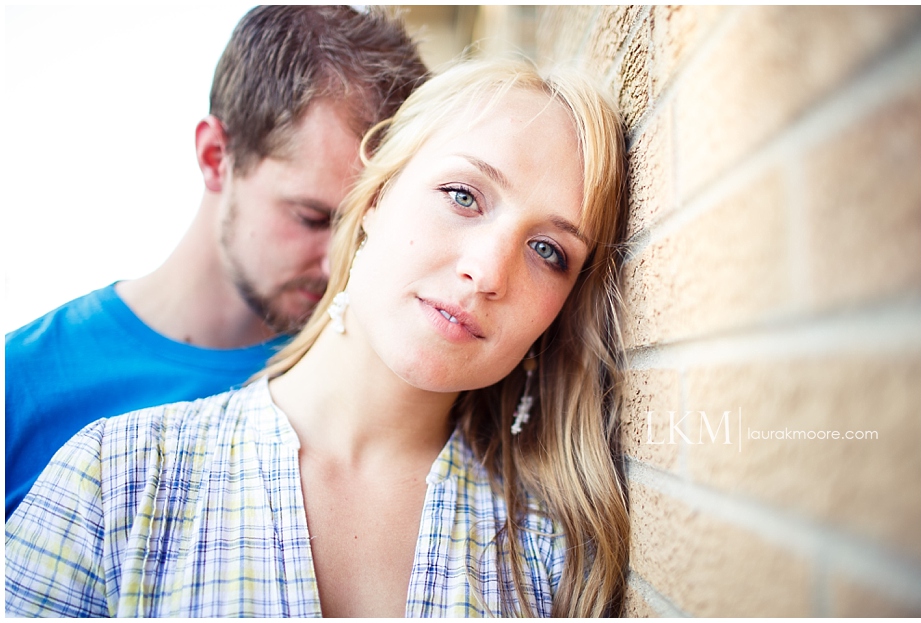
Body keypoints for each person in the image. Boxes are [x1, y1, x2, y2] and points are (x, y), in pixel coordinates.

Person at [6, 58, 630, 617]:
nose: (489, 272)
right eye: (463, 195)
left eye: (548, 250)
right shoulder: (116, 479)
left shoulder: (551, 558)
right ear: (378, 194)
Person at [4, 6, 427, 518]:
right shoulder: (22, 384)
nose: (341, 260)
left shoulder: (375, 391)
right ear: (214, 155)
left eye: (362, 228)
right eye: (313, 217)